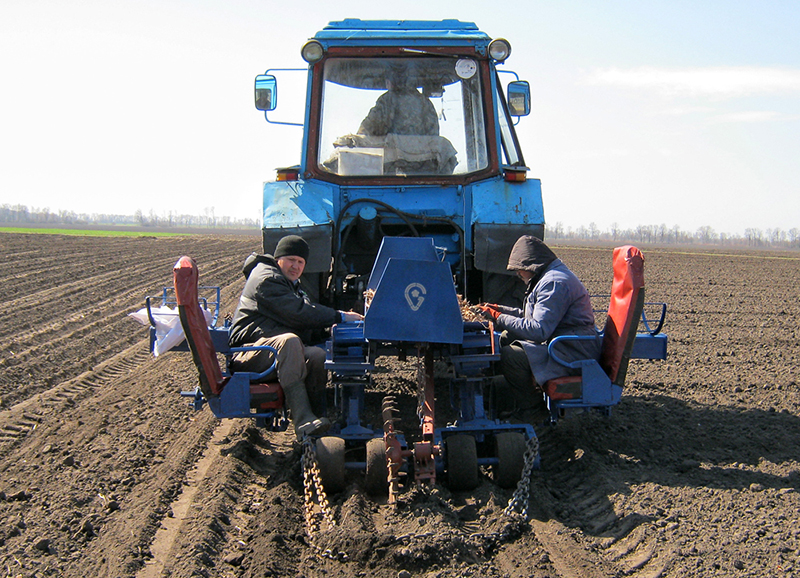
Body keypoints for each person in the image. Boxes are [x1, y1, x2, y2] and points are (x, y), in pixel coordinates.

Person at [228, 235, 363, 439]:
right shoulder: (266, 279)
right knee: (289, 341)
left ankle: (318, 421)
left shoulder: (289, 283)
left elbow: (303, 320)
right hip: (248, 353)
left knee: (316, 355)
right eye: (291, 259)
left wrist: (330, 329)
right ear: (278, 259)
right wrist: (341, 316)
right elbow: (298, 313)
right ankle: (303, 420)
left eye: (301, 262)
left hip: (269, 352)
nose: (296, 266)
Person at [477, 235, 601, 411]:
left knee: (511, 356)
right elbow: (532, 316)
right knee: (505, 337)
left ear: (531, 264)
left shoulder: (553, 283)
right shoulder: (546, 278)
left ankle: (533, 410)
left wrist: (498, 317)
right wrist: (500, 309)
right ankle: (511, 396)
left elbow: (538, 330)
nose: (518, 274)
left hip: (571, 351)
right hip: (562, 343)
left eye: (519, 269)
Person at [358, 74, 439, 137]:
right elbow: (434, 139)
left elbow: (366, 130)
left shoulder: (387, 100)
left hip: (390, 156)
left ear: (389, 82)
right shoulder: (425, 104)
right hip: (422, 157)